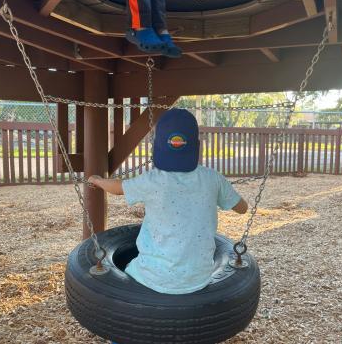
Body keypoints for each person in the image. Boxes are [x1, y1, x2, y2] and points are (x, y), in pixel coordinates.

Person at [88, 108, 248, 297]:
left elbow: (118, 188)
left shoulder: (153, 179)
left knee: (127, 268)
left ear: (157, 146)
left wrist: (97, 181)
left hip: (153, 277)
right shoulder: (212, 178)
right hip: (199, 276)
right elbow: (242, 208)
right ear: (197, 146)